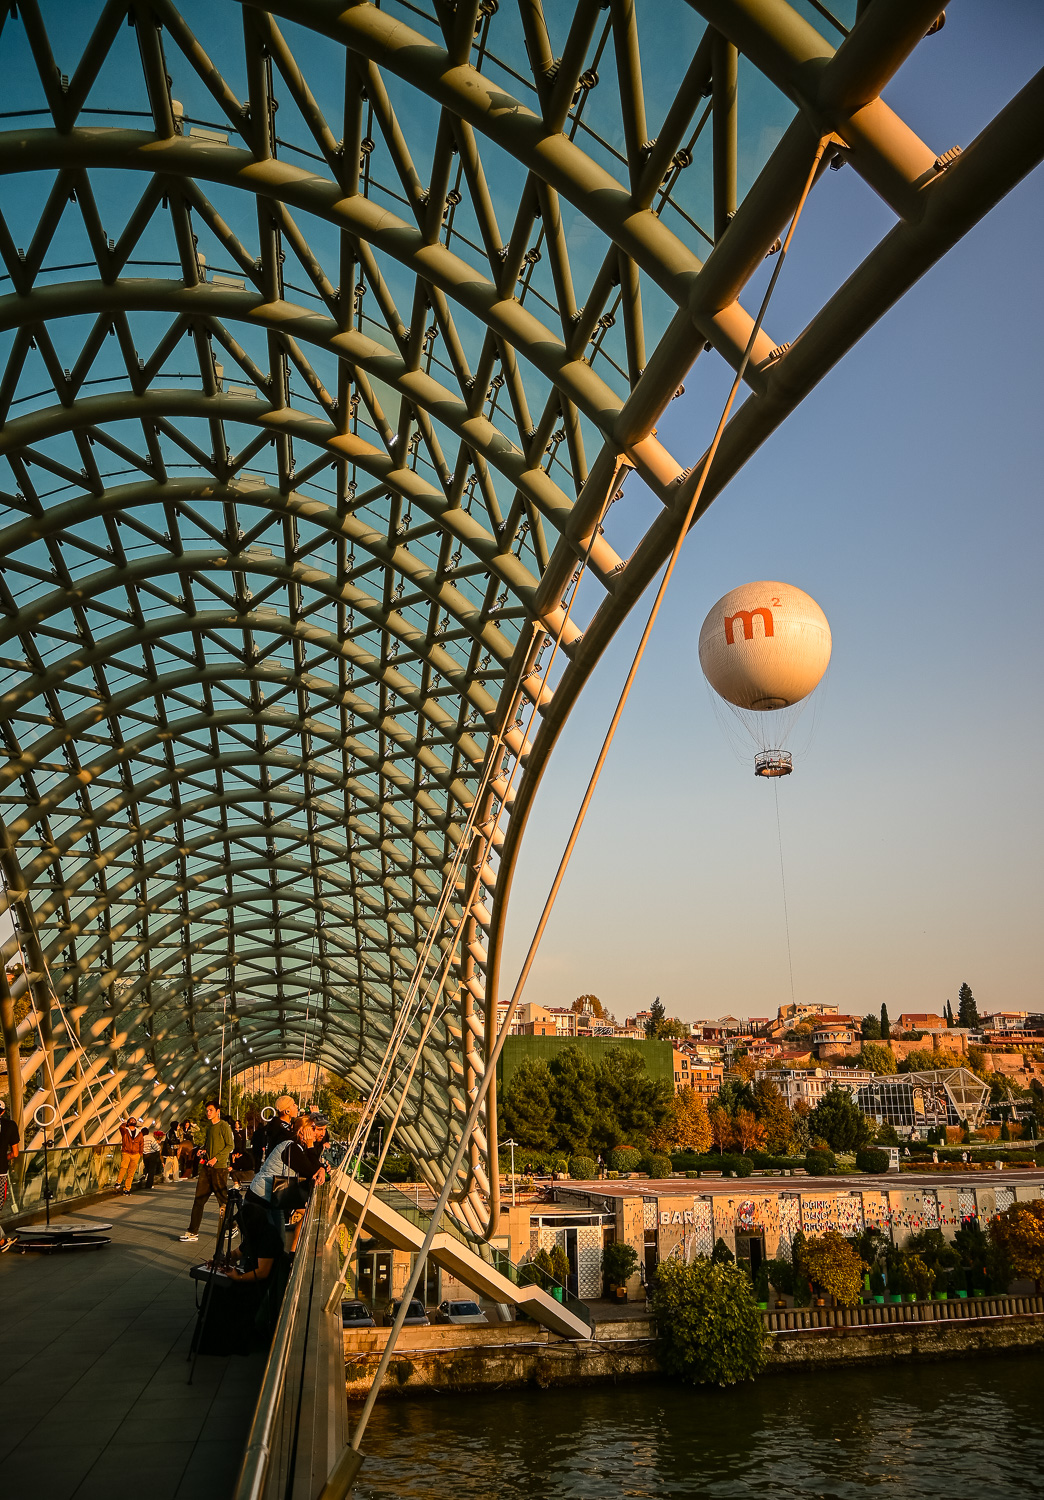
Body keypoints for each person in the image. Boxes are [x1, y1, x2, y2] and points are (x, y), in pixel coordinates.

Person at [228, 1114, 326, 1282]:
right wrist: (312, 1149)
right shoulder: (291, 1147)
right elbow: (311, 1171)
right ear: (302, 1131)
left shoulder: (296, 1147)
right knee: (268, 1243)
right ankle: (252, 1278)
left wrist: (321, 1167)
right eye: (314, 1129)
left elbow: (314, 1168)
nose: (318, 1133)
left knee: (268, 1242)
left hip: (270, 1200)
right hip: (260, 1200)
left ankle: (236, 1262)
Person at [179, 1100, 234, 1243]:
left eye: (211, 1110)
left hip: (219, 1169)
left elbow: (230, 1146)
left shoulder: (224, 1126)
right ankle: (192, 1231)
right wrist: (203, 1150)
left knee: (222, 1200)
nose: (208, 1113)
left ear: (217, 1111)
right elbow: (210, 1144)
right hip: (207, 1168)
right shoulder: (210, 1128)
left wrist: (216, 1158)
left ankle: (232, 1226)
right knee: (198, 1200)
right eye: (207, 1110)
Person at [251, 1094, 298, 1165]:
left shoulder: (277, 1125)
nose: (297, 1106)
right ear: (287, 1111)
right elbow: (295, 1137)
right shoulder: (280, 1127)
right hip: (277, 1166)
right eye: (293, 1105)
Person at [0, 1100, 20, 1246]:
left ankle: (1, 1240)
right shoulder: (10, 1125)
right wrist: (3, 1158)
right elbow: (15, 1153)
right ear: (2, 1111)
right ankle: (1, 1241)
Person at [116, 1116, 145, 1194]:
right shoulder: (125, 1131)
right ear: (128, 1123)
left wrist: (140, 1153)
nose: (133, 1121)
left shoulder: (139, 1133)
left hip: (135, 1154)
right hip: (126, 1152)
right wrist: (125, 1123)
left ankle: (127, 1188)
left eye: (134, 1120)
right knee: (123, 1167)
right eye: (131, 1120)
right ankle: (118, 1181)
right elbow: (121, 1127)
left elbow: (141, 1143)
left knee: (131, 1172)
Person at [141, 1123, 163, 1190]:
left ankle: (143, 1178)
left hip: (145, 1155)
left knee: (146, 1168)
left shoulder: (141, 1139)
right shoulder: (150, 1138)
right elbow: (157, 1147)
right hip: (152, 1155)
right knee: (151, 1171)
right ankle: (149, 1184)